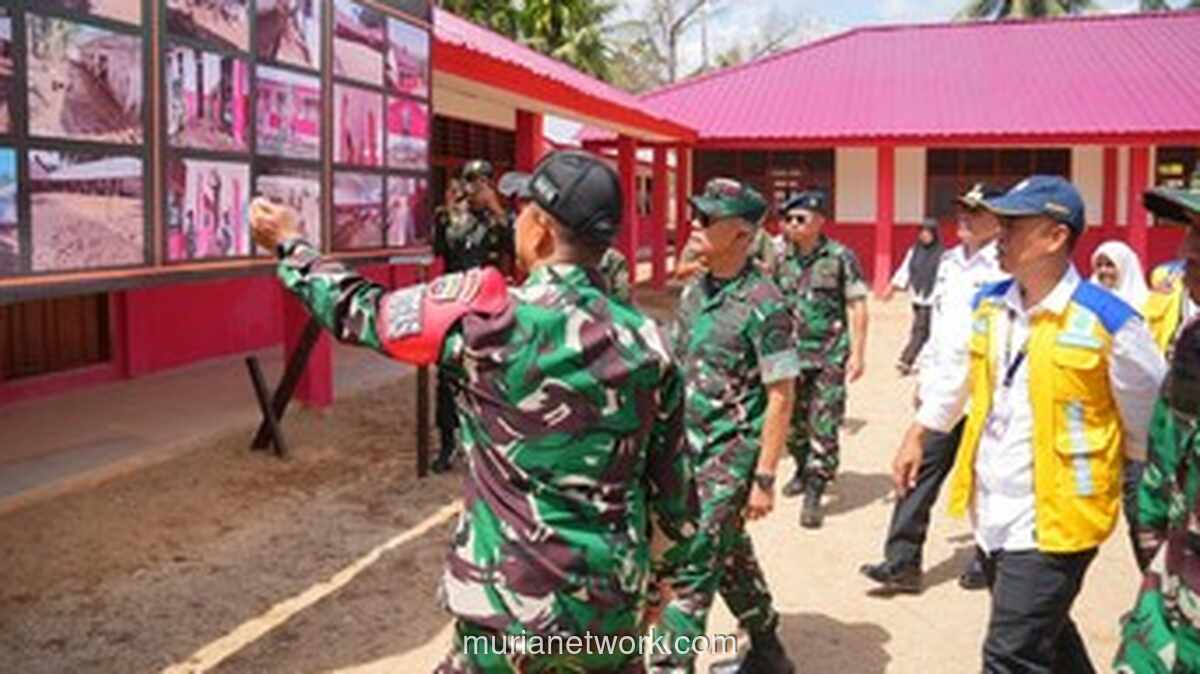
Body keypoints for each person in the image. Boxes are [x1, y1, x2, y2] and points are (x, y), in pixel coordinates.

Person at [248, 150, 700, 674]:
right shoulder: (650, 344)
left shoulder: (487, 325)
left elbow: (361, 311)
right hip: (606, 615)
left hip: (503, 614)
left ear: (540, 232)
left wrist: (291, 244)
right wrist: (652, 590)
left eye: (523, 211)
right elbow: (674, 497)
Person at [892, 175, 1166, 673]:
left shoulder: (1111, 321)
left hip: (1059, 519)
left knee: (1009, 654)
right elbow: (958, 378)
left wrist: (1147, 506)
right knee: (1049, 635)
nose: (1000, 233)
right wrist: (919, 432)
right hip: (994, 506)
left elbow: (1148, 426)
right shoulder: (990, 304)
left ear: (1055, 236)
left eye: (1014, 225)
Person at [650, 177, 798, 674]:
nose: (694, 225)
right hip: (686, 450)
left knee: (692, 565)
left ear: (739, 233)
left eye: (707, 219)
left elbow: (781, 395)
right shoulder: (696, 290)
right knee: (728, 554)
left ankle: (674, 665)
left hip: (729, 458)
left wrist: (763, 478)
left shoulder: (765, 302)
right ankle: (769, 647)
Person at [861, 183, 1007, 594]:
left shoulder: (1006, 268)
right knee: (917, 470)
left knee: (988, 476)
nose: (964, 217)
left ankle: (987, 555)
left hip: (987, 394)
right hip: (944, 389)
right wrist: (926, 378)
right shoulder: (948, 262)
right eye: (961, 209)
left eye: (975, 211)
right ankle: (902, 562)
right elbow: (938, 329)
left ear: (998, 221)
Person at [1115, 185, 1200, 673]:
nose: (1186, 251)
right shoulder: (1193, 344)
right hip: (1171, 600)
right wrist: (1154, 554)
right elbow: (1161, 462)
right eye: (1189, 231)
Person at [773, 189, 869, 529]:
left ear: (819, 222)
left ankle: (816, 488)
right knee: (792, 422)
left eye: (801, 219)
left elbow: (857, 304)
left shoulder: (840, 256)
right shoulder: (778, 257)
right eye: (788, 219)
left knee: (823, 422)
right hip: (788, 354)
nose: (793, 225)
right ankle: (801, 467)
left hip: (828, 353)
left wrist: (858, 352)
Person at [430, 161, 511, 472]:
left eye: (482, 183)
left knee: (488, 376)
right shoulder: (450, 217)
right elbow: (438, 250)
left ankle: (484, 441)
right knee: (447, 375)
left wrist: (496, 208)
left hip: (488, 308)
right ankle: (448, 443)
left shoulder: (498, 219)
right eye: (471, 182)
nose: (475, 189)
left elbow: (513, 247)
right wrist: (448, 213)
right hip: (454, 306)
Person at [886, 219, 944, 375]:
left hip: (934, 298)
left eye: (928, 232)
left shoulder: (943, 255)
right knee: (922, 330)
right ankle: (919, 361)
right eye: (922, 232)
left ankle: (906, 360)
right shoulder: (914, 251)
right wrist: (893, 287)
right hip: (917, 297)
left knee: (922, 330)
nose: (924, 235)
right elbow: (905, 269)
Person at [1090, 240, 1150, 308]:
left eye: (1109, 265)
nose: (1103, 270)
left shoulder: (1144, 304)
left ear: (1125, 267)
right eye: (1099, 265)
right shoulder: (1088, 298)